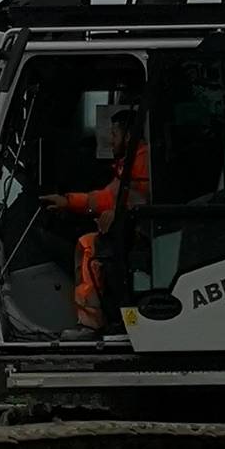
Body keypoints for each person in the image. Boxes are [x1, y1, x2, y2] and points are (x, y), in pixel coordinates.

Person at [41, 107, 149, 336]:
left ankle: (92, 322)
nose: (110, 139)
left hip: (144, 233)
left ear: (128, 136)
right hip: (139, 228)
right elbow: (107, 197)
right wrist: (68, 201)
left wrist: (119, 213)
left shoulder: (142, 162)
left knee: (89, 246)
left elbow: (139, 198)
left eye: (114, 134)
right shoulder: (131, 163)